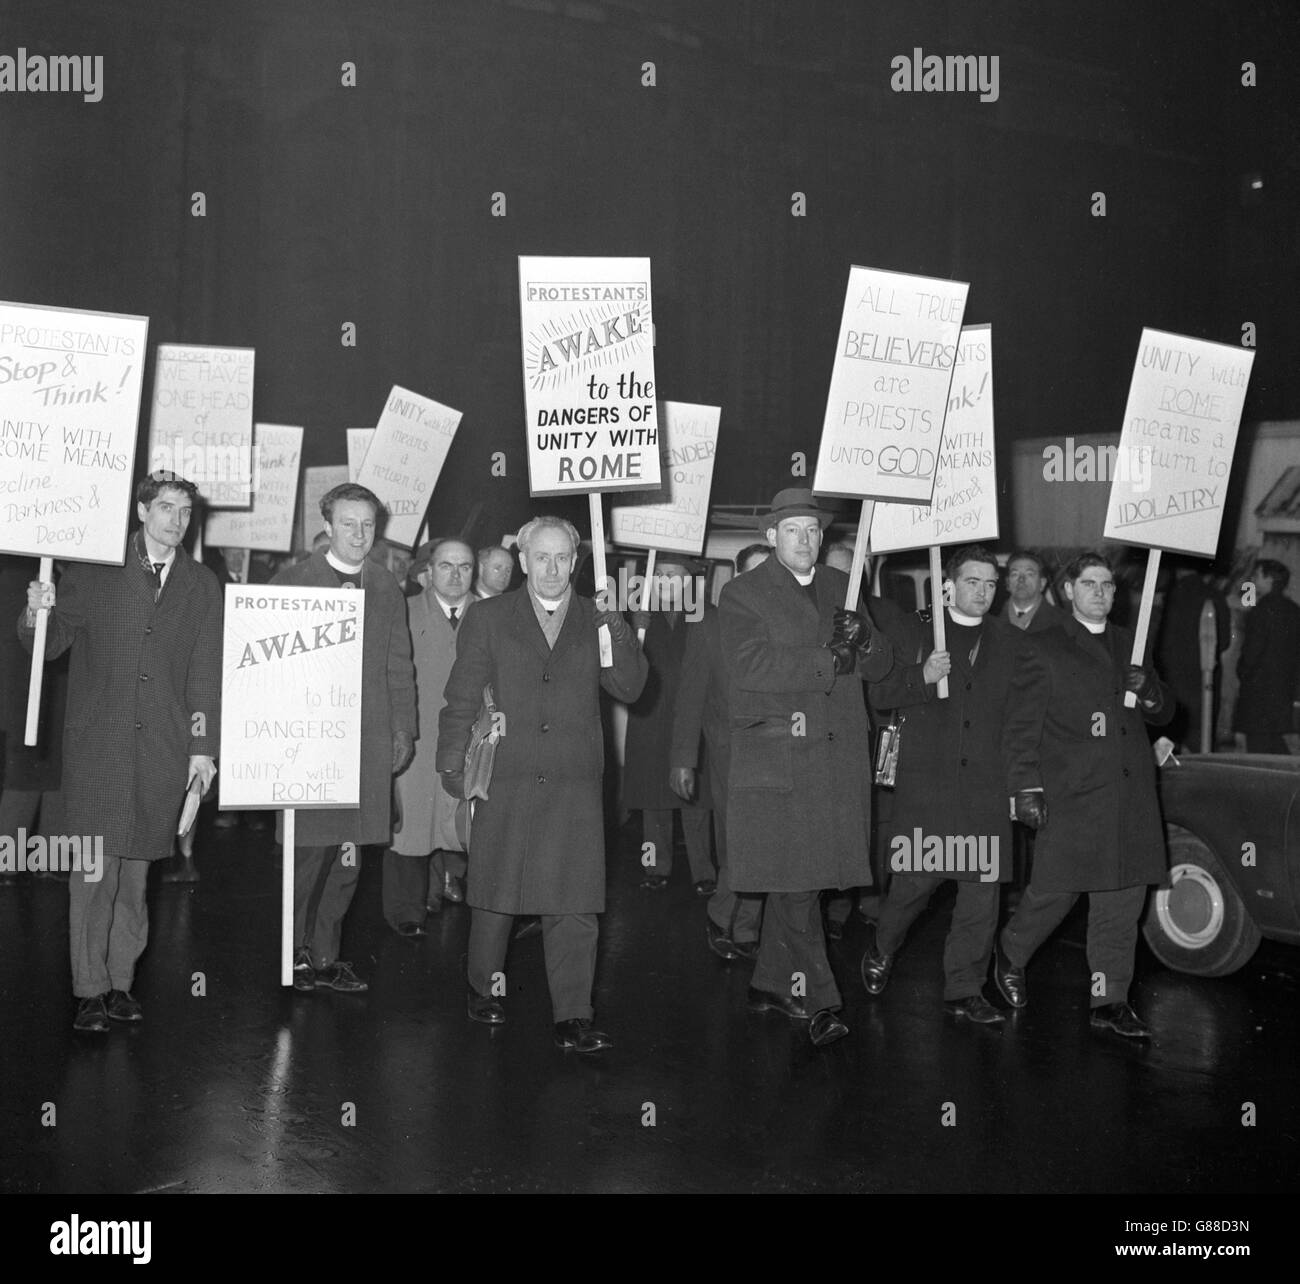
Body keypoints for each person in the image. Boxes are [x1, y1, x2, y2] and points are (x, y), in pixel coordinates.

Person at [19, 472, 222, 1033]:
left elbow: (205, 673)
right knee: (94, 872)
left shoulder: (202, 585)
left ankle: (121, 984)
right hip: (98, 746)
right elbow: (49, 643)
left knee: (136, 876)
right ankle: (88, 989)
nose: (176, 520)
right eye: (165, 508)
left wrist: (202, 748)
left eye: (184, 511)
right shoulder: (92, 570)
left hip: (163, 746)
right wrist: (39, 610)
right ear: (140, 510)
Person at [437, 515, 647, 1053]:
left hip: (575, 781)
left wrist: (617, 628)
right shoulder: (488, 617)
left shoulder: (595, 620)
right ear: (523, 561)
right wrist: (452, 765)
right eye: (542, 558)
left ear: (576, 563)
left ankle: (573, 1015)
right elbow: (461, 696)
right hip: (505, 774)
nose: (552, 569)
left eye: (563, 559)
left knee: (575, 900)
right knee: (495, 891)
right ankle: (484, 988)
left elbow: (631, 685)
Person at [719, 488, 893, 1048]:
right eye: (793, 530)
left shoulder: (843, 588)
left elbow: (882, 667)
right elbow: (750, 666)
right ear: (771, 536)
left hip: (837, 760)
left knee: (805, 877)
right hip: (782, 760)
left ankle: (770, 983)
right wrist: (828, 660)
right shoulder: (742, 593)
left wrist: (864, 641)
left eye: (814, 531)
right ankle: (822, 999)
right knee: (797, 881)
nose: (806, 540)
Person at [993, 552, 1172, 1038]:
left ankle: (1107, 998)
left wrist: (1151, 692)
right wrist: (1025, 786)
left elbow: (1162, 712)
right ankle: (1010, 952)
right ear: (1068, 591)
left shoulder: (1129, 643)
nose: (1100, 592)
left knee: (1122, 897)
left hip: (1129, 794)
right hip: (1073, 793)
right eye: (1089, 584)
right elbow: (1020, 726)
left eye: (1108, 585)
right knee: (1056, 891)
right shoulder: (1044, 646)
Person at [861, 546, 1018, 1023]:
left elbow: (1019, 715)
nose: (983, 593)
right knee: (914, 886)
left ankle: (964, 988)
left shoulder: (1008, 641)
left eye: (991, 584)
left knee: (981, 892)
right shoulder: (915, 630)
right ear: (948, 584)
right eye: (973, 582)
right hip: (928, 785)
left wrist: (1019, 782)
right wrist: (922, 676)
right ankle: (883, 946)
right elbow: (881, 693)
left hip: (985, 788)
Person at [272, 483, 416, 994]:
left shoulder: (385, 586)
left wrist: (403, 730)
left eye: (368, 525)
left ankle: (326, 955)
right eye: (348, 524)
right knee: (308, 854)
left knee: (349, 857)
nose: (359, 534)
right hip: (308, 742)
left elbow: (400, 665)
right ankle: (292, 956)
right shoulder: (291, 583)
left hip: (367, 742)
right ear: (327, 526)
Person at [671, 544, 769, 960]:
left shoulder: (792, 623)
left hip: (780, 751)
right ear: (737, 578)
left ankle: (747, 927)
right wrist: (682, 759)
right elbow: (690, 696)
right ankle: (720, 913)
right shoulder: (710, 626)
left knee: (767, 843)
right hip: (729, 751)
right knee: (738, 840)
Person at [384, 538, 474, 937]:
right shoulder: (403, 612)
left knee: (465, 822)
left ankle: (466, 895)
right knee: (411, 826)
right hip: (417, 736)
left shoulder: (491, 615)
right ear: (428, 572)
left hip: (470, 736)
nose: (455, 575)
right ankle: (406, 911)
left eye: (465, 567)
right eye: (446, 566)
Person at [624, 556, 716, 895]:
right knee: (653, 800)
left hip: (695, 718)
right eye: (659, 576)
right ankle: (654, 866)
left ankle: (703, 872)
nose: (666, 582)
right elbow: (621, 666)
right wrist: (635, 631)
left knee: (697, 802)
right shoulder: (639, 617)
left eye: (673, 576)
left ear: (688, 581)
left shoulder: (705, 614)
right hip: (651, 716)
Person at [1155, 558, 1230, 751]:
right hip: (1206, 676)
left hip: (1174, 676)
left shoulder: (1171, 596)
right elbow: (1224, 641)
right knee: (1203, 733)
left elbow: (1161, 639)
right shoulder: (1214, 595)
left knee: (1172, 735)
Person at [1233, 558, 1300, 754]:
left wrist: (1242, 671)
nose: (1253, 580)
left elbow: (1251, 653)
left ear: (1269, 579)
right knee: (1274, 745)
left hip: (1258, 692)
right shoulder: (1294, 610)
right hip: (1282, 691)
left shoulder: (1261, 610)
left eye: (1257, 575)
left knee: (1259, 748)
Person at [1000, 549, 1062, 633]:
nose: (1021, 579)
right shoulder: (990, 624)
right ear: (1007, 583)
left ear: (1042, 583)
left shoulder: (1063, 624)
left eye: (1029, 574)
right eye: (1015, 574)